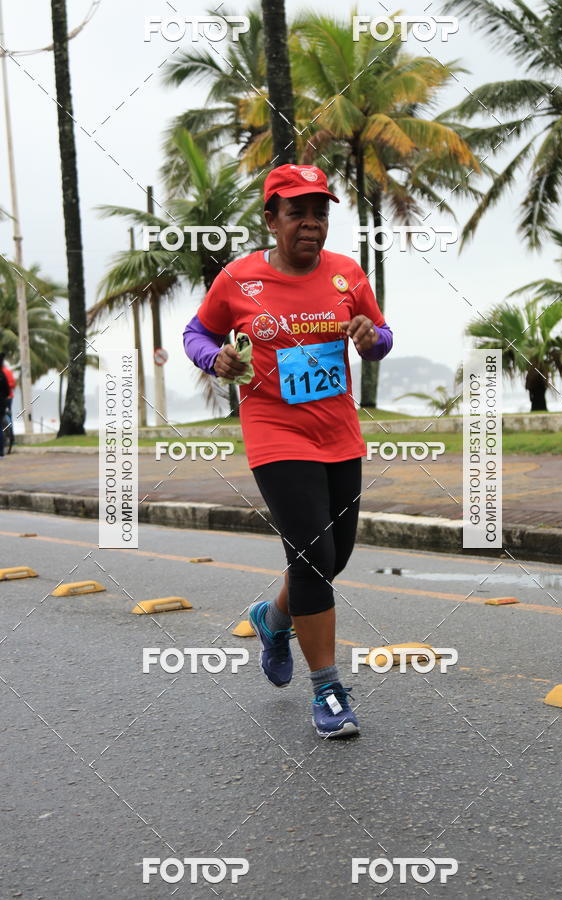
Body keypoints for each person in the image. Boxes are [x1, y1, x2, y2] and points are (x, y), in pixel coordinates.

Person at [183, 164, 393, 738]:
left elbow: (379, 336)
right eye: (297, 211)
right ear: (271, 218)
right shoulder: (238, 279)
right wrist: (213, 358)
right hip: (276, 432)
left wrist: (372, 337)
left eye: (320, 211)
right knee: (312, 559)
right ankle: (327, 692)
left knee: (333, 556)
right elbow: (195, 333)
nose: (311, 223)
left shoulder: (348, 274)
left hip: (338, 432)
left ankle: (273, 620)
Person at [0, 353, 15, 458]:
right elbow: (11, 386)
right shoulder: (6, 372)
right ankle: (11, 436)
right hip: (7, 399)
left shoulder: (5, 372)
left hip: (5, 399)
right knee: (7, 418)